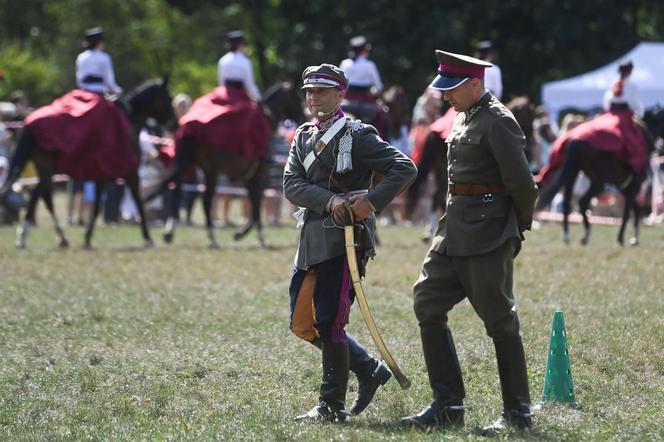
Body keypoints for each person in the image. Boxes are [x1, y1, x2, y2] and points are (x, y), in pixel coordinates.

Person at [401, 50, 538, 433]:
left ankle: (518, 413)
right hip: (453, 229)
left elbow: (522, 184)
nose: (446, 95)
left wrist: (515, 229)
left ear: (476, 84)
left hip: (488, 233)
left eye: (453, 88)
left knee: (499, 321)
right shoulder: (463, 117)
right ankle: (448, 404)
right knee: (427, 301)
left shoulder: (498, 121)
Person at [284, 64, 416, 422]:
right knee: (302, 320)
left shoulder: (357, 134)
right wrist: (328, 201)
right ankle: (369, 368)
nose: (314, 98)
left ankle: (331, 405)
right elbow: (291, 185)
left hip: (346, 240)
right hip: (311, 237)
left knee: (330, 321)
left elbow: (404, 168)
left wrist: (369, 202)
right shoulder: (302, 135)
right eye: (310, 91)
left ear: (341, 94)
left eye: (322, 91)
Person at [75, 27, 122, 95]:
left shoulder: (81, 57)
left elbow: (79, 80)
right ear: (99, 42)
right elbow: (109, 81)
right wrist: (117, 90)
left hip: (83, 92)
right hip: (99, 92)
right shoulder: (104, 57)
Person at [217, 31, 261, 101]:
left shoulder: (222, 61)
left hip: (227, 98)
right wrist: (259, 99)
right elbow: (250, 85)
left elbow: (221, 84)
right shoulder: (245, 62)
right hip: (241, 98)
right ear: (240, 45)